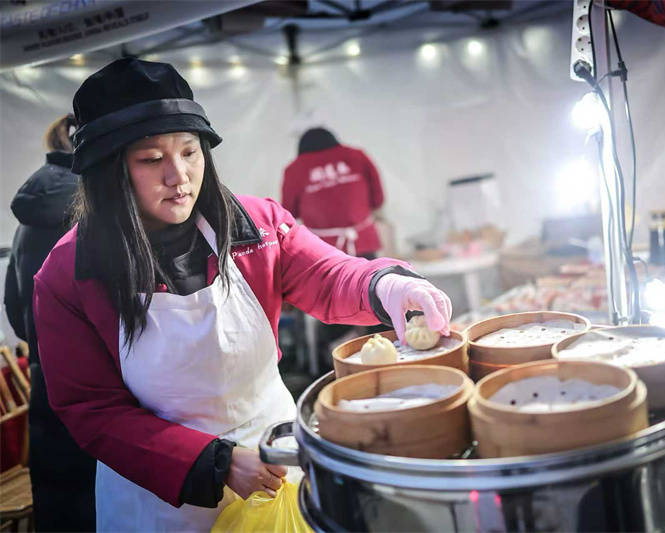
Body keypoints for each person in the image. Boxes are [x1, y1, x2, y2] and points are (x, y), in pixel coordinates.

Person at [32, 57, 451, 531]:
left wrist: (386, 285)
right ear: (110, 172)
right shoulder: (69, 275)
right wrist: (214, 463)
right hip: (165, 498)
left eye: (190, 152)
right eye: (151, 159)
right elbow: (92, 409)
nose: (179, 175)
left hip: (275, 461)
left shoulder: (255, 227)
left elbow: (328, 274)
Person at [4, 114, 96, 531]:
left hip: (46, 381)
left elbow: (14, 305)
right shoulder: (95, 206)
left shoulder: (27, 218)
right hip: (100, 386)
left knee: (59, 506)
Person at [281, 127, 385, 259]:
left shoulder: (295, 169)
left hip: (321, 249)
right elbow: (378, 199)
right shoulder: (357, 156)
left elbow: (289, 212)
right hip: (362, 240)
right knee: (370, 272)